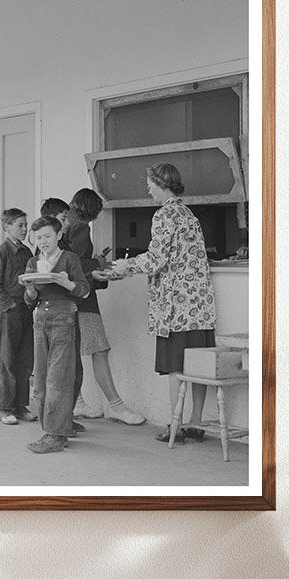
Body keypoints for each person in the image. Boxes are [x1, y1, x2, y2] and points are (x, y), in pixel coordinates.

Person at [109, 163, 217, 443]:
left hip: (175, 309)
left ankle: (176, 426)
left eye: (150, 185)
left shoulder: (164, 214)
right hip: (200, 308)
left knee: (176, 369)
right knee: (199, 368)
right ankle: (195, 423)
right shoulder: (189, 215)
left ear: (161, 183)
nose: (148, 190)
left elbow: (156, 259)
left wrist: (126, 265)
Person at [66, 188, 145, 426]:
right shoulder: (79, 226)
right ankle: (116, 406)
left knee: (72, 353)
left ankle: (78, 402)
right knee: (99, 350)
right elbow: (74, 264)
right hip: (83, 300)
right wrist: (100, 263)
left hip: (68, 300)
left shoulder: (66, 224)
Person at [21, 216, 90, 453]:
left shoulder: (69, 259)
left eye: (47, 236)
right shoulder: (33, 261)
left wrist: (67, 283)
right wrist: (29, 290)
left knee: (58, 379)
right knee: (40, 380)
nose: (43, 242)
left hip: (63, 318)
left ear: (59, 235)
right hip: (40, 319)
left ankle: (55, 435)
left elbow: (83, 290)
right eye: (39, 237)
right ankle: (53, 428)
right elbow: (29, 300)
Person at [0, 208, 36, 425]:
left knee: (25, 359)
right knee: (7, 359)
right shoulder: (1, 252)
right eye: (20, 225)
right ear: (7, 227)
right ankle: (5, 407)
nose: (24, 229)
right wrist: (9, 305)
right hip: (9, 311)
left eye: (25, 225)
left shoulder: (27, 252)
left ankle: (21, 405)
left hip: (26, 309)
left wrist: (29, 302)